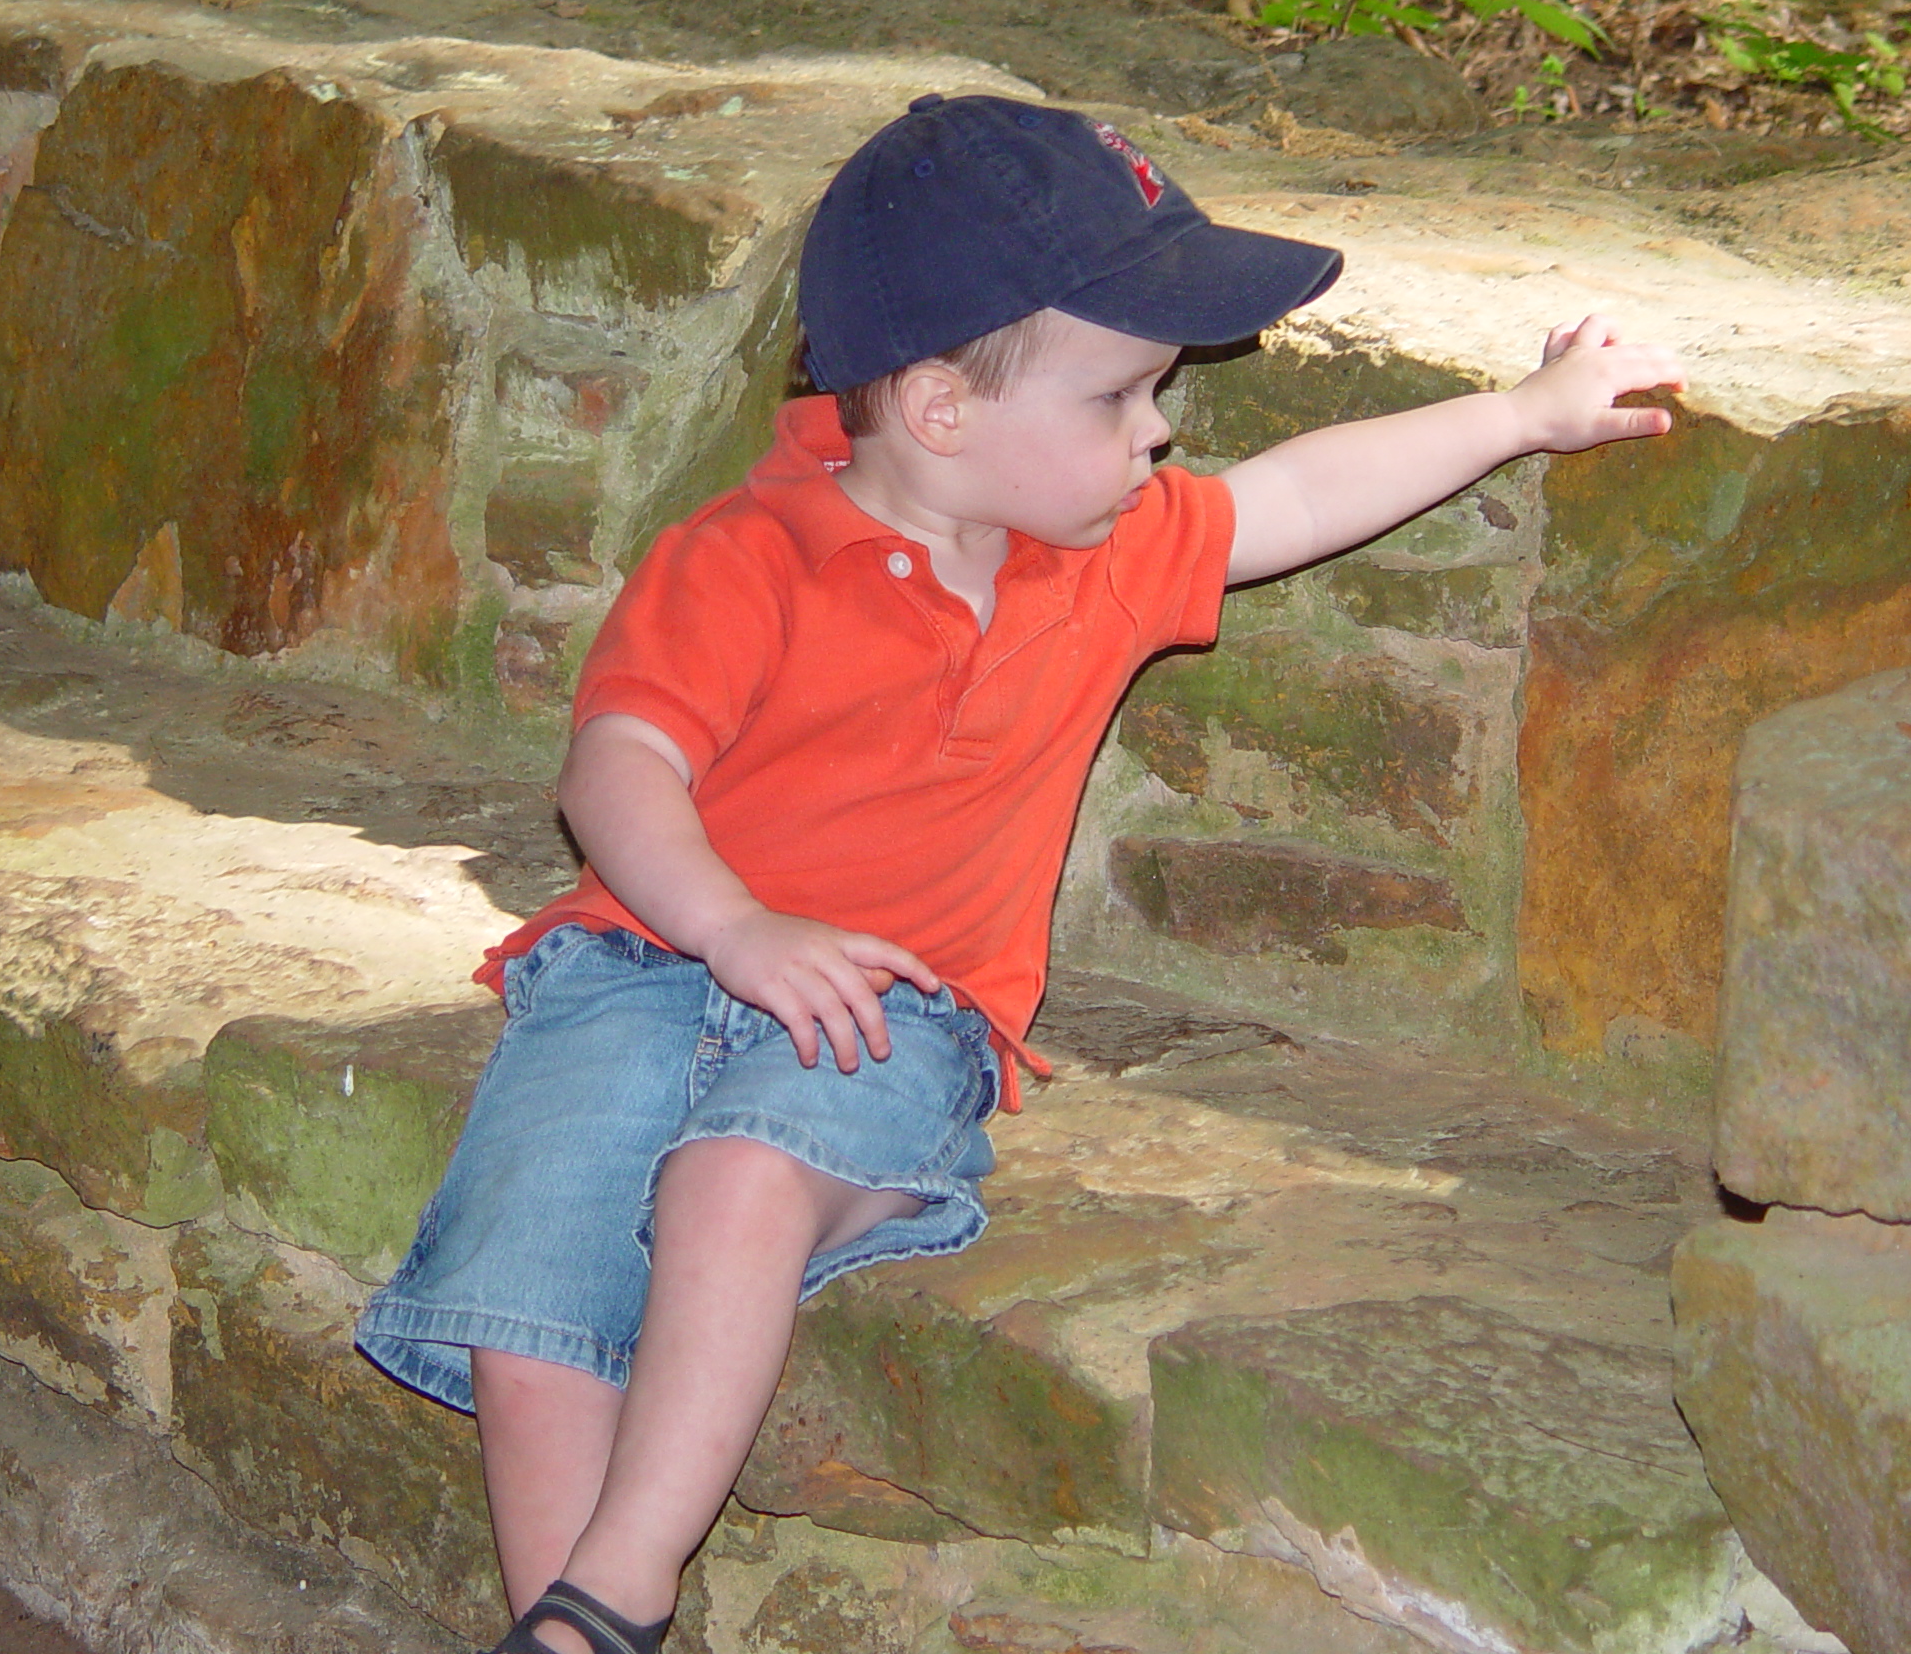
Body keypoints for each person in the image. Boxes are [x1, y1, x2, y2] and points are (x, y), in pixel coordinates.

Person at [354, 94, 1684, 1654]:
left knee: (738, 1181)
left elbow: (1302, 497)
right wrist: (732, 927)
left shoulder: (1101, 557)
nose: (1161, 434)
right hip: (639, 960)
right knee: (537, 1273)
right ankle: (558, 1625)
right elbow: (617, 770)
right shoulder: (743, 556)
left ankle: (618, 1593)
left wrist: (1525, 412)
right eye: (1125, 397)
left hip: (895, 1007)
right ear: (938, 408)